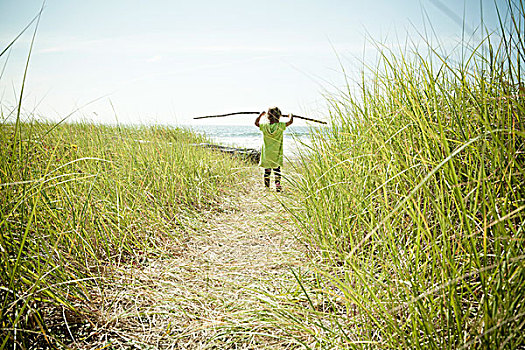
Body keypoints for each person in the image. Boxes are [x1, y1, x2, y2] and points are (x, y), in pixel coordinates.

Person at [255, 107, 293, 192]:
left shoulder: (265, 126)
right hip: (276, 152)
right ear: (279, 116)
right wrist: (290, 115)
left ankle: (267, 188)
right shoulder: (280, 126)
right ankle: (278, 186)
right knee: (277, 171)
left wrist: (260, 115)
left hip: (267, 153)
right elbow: (290, 121)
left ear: (268, 117)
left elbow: (256, 123)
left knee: (267, 171)